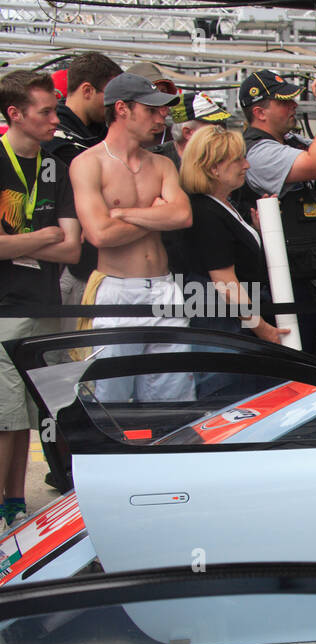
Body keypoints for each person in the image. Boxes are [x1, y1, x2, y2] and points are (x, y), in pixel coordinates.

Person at [69, 72, 193, 402]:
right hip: (117, 288)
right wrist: (156, 216)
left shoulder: (162, 164)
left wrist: (122, 213)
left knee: (173, 401)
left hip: (164, 286)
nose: (161, 117)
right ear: (122, 109)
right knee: (110, 399)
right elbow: (99, 233)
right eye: (151, 110)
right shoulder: (88, 163)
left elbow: (182, 215)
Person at [0, 70, 82, 526]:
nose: (55, 118)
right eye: (46, 111)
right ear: (15, 113)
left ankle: (15, 502)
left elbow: (71, 247)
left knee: (31, 414)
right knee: (6, 415)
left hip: (46, 302)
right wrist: (45, 233)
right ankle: (8, 505)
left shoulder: (59, 167)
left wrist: (24, 241)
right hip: (5, 307)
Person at [239, 67, 316, 359]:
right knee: (299, 369)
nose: (293, 106)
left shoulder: (289, 141)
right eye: (283, 102)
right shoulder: (258, 152)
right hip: (288, 282)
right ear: (259, 112)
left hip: (312, 273)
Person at [177, 125, 289, 347]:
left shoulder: (222, 205)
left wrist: (256, 231)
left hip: (233, 321)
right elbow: (225, 282)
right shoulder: (206, 212)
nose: (246, 165)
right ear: (213, 168)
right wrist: (262, 329)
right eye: (238, 160)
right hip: (223, 328)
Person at [50, 52, 121, 309]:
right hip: (73, 272)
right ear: (87, 90)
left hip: (101, 271)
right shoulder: (56, 141)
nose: (115, 106)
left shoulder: (99, 136)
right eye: (110, 98)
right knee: (71, 347)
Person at [158, 93, 231, 169]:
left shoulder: (228, 159)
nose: (223, 132)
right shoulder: (157, 161)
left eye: (223, 125)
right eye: (214, 128)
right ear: (188, 133)